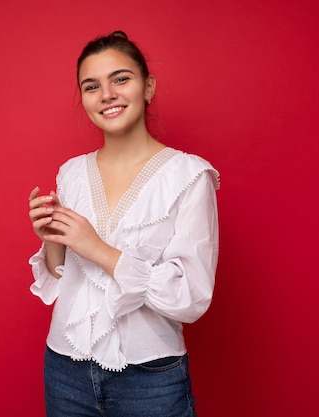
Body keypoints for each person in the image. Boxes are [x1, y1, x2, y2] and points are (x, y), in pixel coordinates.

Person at [27, 30, 219, 417]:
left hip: (150, 378)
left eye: (121, 79)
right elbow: (61, 279)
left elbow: (192, 298)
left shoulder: (190, 175)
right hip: (65, 368)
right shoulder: (71, 173)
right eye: (91, 85)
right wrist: (51, 240)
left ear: (147, 87)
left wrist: (98, 248)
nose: (107, 94)